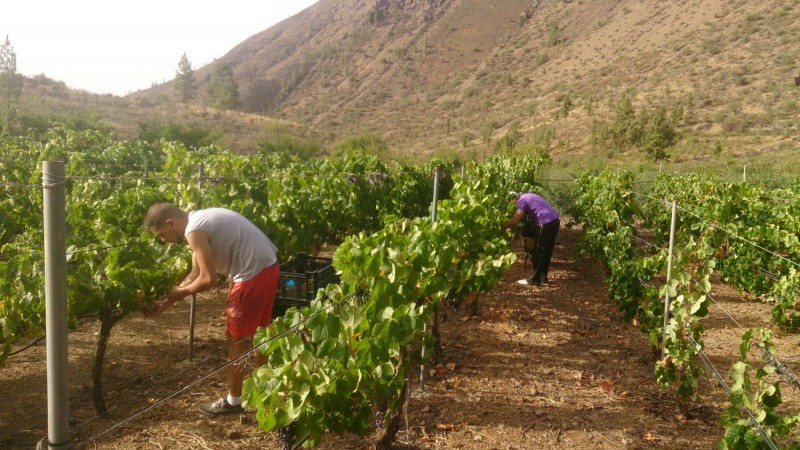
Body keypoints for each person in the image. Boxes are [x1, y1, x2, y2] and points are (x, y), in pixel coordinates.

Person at [143, 203, 279, 416]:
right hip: (267, 269)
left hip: (251, 276)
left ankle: (234, 402)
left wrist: (180, 293)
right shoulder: (199, 220)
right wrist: (164, 305)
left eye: (161, 234)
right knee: (261, 334)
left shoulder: (194, 231)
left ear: (170, 223)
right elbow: (194, 274)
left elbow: (208, 279)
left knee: (237, 339)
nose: (163, 240)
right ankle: (268, 392)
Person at [503, 191, 560, 286]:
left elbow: (516, 220)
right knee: (546, 250)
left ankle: (534, 280)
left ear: (513, 198)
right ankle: (542, 278)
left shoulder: (521, 200)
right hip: (554, 221)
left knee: (538, 251)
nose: (512, 204)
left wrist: (502, 226)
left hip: (545, 222)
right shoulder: (528, 196)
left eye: (511, 201)